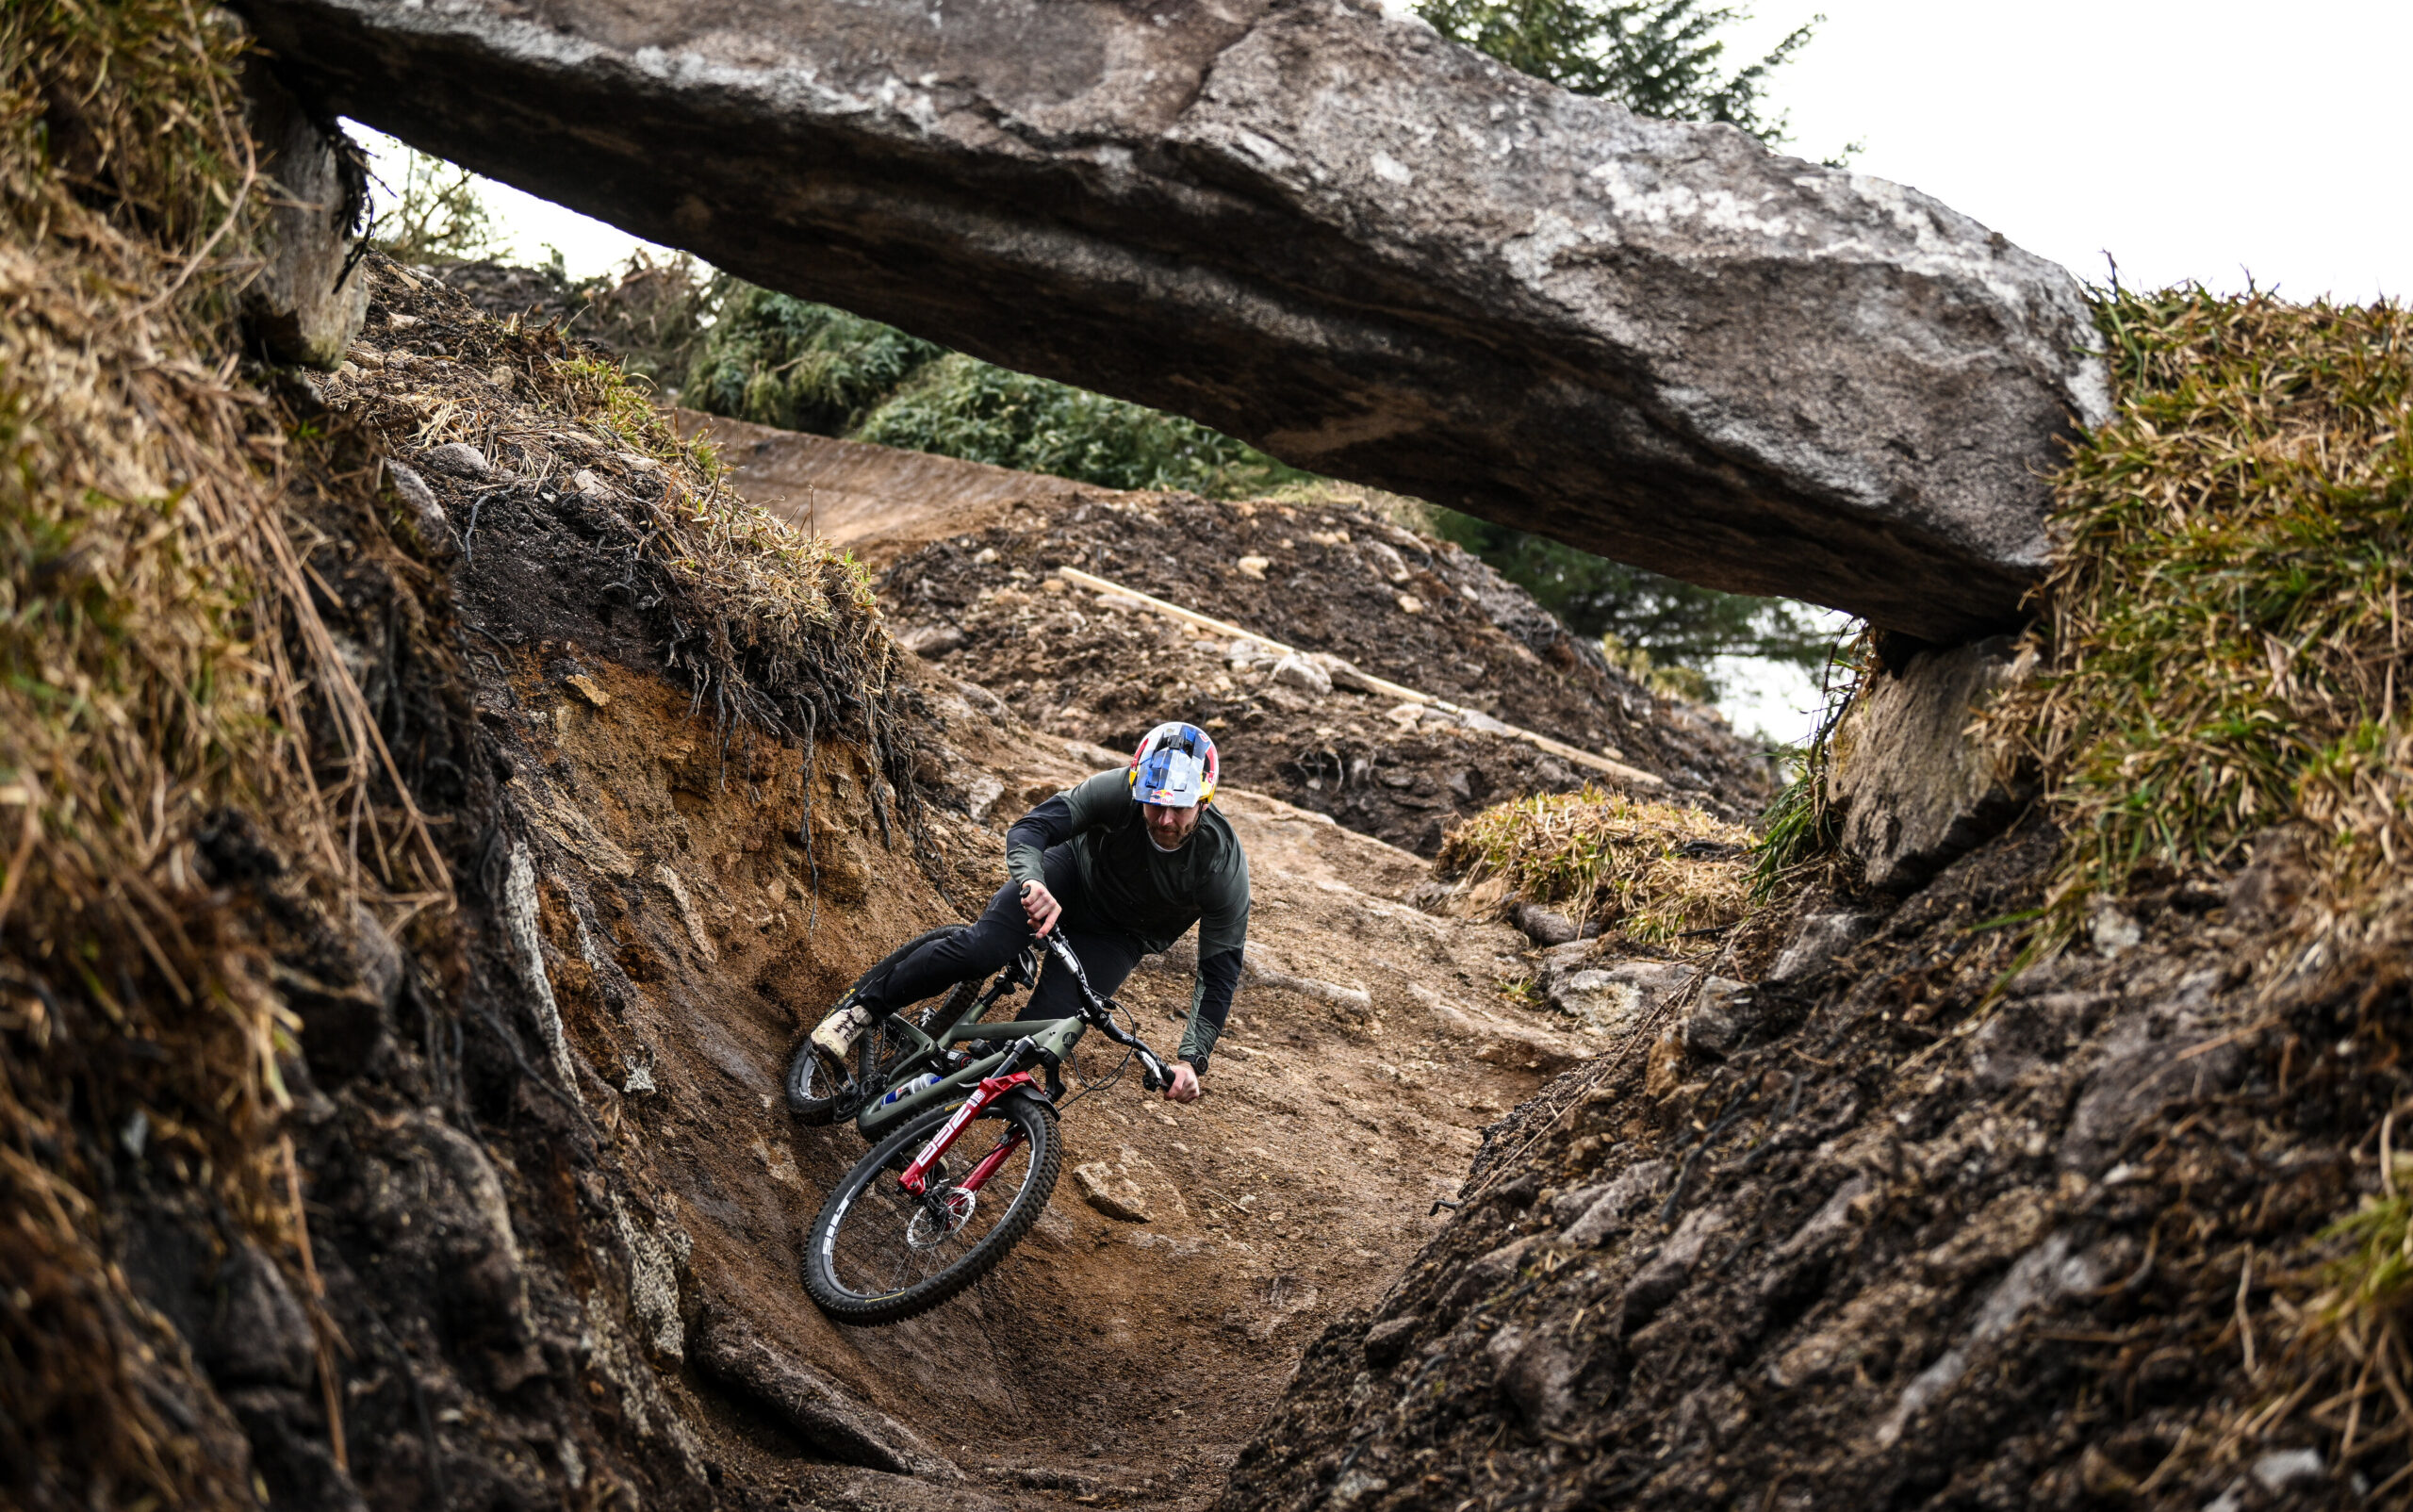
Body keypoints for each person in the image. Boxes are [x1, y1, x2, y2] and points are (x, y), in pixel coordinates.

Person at [811, 723, 1249, 1102]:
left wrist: (1192, 1059)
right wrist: (1034, 880)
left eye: (1179, 807)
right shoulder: (1118, 791)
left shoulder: (1222, 866)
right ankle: (860, 1011)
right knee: (983, 950)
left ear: (1204, 802)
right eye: (1154, 803)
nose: (1165, 819)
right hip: (1068, 877)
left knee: (1036, 1040)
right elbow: (1032, 828)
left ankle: (926, 1109)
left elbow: (1220, 972)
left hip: (1119, 936)